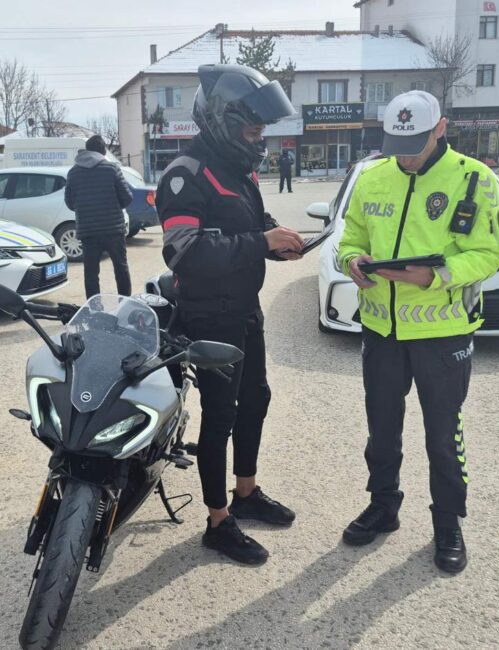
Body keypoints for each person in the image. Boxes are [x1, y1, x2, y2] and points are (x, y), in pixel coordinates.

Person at [336, 91, 499, 574]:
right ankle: (383, 505)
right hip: (381, 330)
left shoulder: (473, 178)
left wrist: (436, 275)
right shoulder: (373, 178)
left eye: (414, 145)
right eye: (397, 145)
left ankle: (448, 522)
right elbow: (349, 239)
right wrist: (352, 261)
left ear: (441, 129)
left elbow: (490, 252)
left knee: (442, 435)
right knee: (382, 429)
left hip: (442, 332)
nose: (405, 156)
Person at [156, 64, 304, 565]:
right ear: (223, 121)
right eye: (253, 130)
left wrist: (279, 241)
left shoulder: (238, 170)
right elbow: (184, 251)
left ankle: (246, 492)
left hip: (244, 308)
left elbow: (253, 223)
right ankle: (218, 521)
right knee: (220, 414)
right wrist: (260, 242)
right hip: (208, 315)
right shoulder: (186, 174)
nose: (259, 140)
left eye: (261, 131)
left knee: (255, 400)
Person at [64, 135, 133, 298]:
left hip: (88, 231)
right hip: (113, 229)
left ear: (87, 150)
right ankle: (125, 303)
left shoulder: (73, 172)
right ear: (103, 152)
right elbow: (127, 198)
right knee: (121, 268)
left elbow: (70, 203)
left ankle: (94, 308)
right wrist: (113, 206)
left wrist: (85, 208)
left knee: (91, 273)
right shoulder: (111, 169)